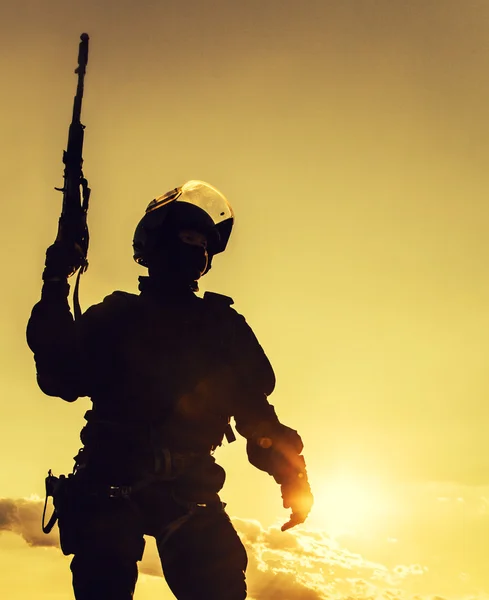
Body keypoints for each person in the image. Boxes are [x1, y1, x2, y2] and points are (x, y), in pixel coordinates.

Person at [27, 180, 313, 600]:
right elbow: (58, 376)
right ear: (160, 242)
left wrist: (293, 477)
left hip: (190, 489)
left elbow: (257, 418)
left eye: (203, 242)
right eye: (187, 237)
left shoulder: (222, 328)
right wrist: (56, 280)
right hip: (109, 484)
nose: (196, 249)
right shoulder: (118, 316)